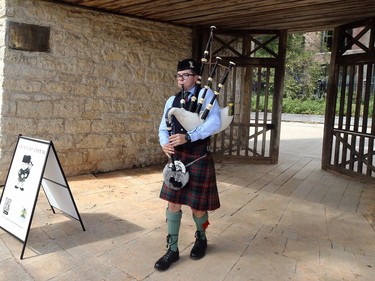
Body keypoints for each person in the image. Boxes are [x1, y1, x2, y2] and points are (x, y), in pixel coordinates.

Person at [154, 58, 221, 271]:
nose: (181, 80)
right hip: (177, 160)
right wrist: (164, 143)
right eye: (178, 76)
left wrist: (189, 137)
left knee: (198, 207)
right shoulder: (171, 100)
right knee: (173, 204)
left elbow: (215, 122)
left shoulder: (206, 95)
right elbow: (163, 127)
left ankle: (201, 238)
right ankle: (172, 249)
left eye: (186, 76)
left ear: (196, 77)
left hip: (198, 156)